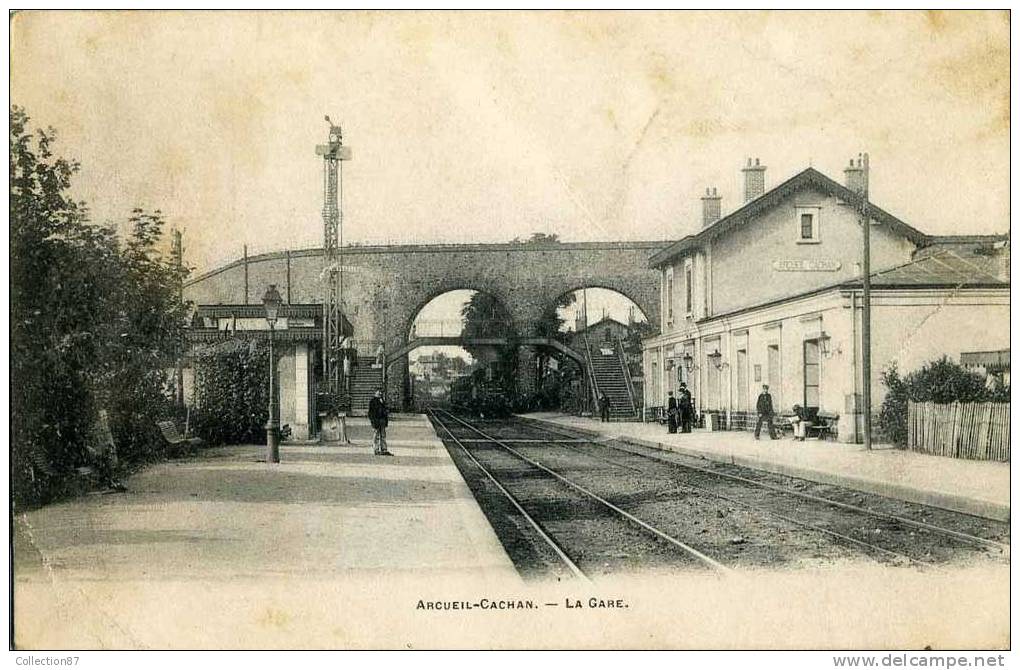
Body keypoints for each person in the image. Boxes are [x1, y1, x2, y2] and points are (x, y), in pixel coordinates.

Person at [368, 390, 392, 456]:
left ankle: (384, 449)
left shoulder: (382, 401)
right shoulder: (372, 402)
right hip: (376, 421)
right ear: (375, 393)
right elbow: (370, 413)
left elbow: (385, 411)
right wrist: (373, 421)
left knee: (383, 436)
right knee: (376, 435)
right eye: (378, 392)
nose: (380, 393)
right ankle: (376, 449)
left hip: (382, 421)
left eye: (381, 392)